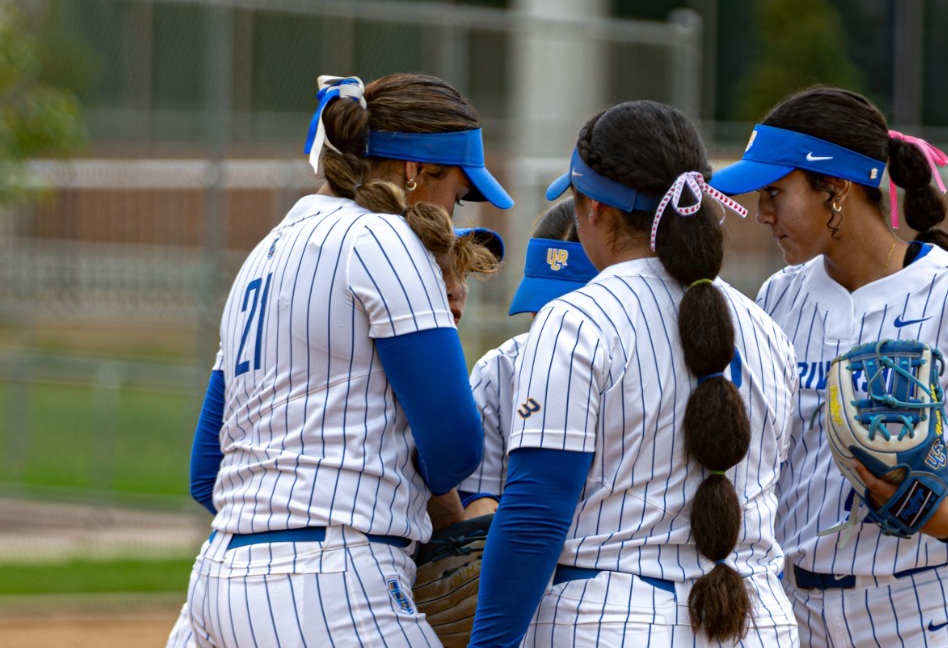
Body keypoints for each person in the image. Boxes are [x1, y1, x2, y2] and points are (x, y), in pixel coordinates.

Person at [710, 85, 948, 646]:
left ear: (836, 189)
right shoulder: (778, 296)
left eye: (777, 192)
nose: (762, 213)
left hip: (928, 610)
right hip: (798, 613)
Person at [176, 73, 513, 648]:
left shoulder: (264, 252)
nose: (453, 214)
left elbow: (206, 474)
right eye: (456, 194)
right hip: (328, 586)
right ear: (414, 172)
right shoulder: (386, 239)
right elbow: (456, 445)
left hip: (216, 581)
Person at [468, 101, 802, 647]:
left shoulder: (576, 319)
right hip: (755, 619)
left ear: (594, 210)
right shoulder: (766, 330)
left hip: (614, 617)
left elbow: (536, 513)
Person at [456, 198, 597, 520]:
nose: (544, 318)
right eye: (539, 302)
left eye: (563, 308)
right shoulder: (499, 370)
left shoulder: (642, 364)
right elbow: (478, 500)